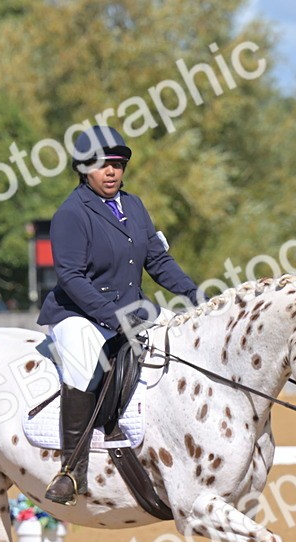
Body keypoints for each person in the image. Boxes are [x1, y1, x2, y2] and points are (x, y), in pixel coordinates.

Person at [37, 126, 204, 505]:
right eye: (101, 165)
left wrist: (194, 293)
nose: (111, 171)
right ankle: (71, 470)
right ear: (83, 169)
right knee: (83, 364)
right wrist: (113, 318)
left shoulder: (134, 206)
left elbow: (158, 261)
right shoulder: (71, 213)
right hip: (78, 313)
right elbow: (71, 277)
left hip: (134, 308)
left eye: (117, 164)